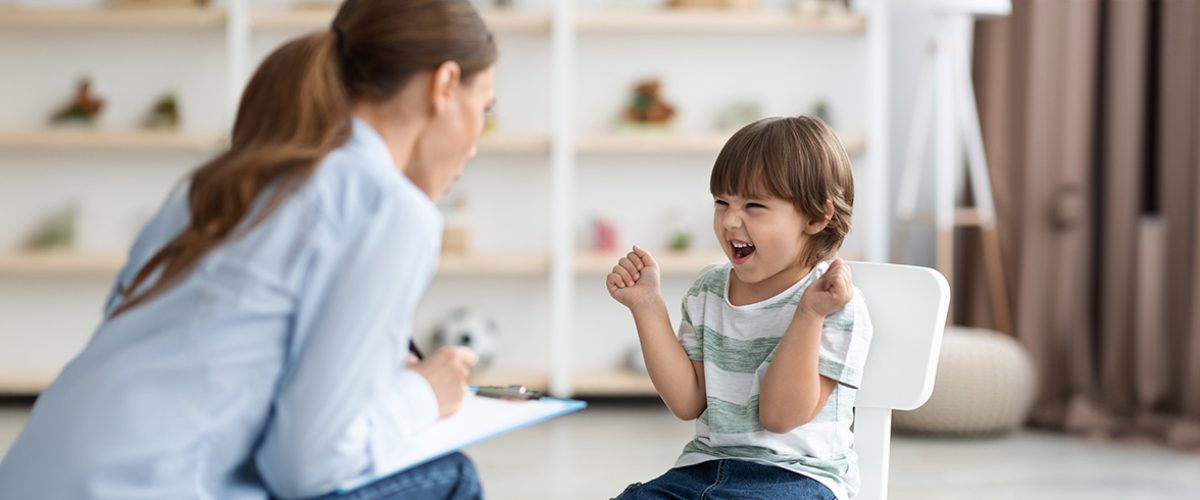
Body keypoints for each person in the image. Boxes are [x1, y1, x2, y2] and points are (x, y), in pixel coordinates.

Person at [0, 1, 497, 498]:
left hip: (31, 478)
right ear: (445, 85)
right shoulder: (388, 206)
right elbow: (306, 464)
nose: (475, 145)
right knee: (452, 477)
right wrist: (423, 394)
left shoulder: (223, 181)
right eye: (485, 108)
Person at [606, 116, 873, 500]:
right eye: (721, 202)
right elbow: (687, 401)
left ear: (817, 216)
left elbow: (780, 417)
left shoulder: (835, 303)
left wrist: (808, 315)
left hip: (796, 477)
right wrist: (647, 307)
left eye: (754, 205)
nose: (731, 220)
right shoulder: (708, 291)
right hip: (701, 469)